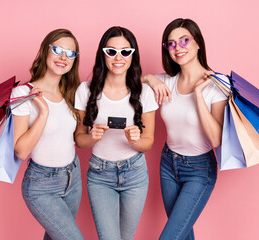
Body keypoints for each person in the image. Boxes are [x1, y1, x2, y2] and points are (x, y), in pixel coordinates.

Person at [142, 18, 228, 240]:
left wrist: (198, 95)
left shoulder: (217, 86)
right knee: (183, 235)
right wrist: (152, 79)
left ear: (198, 43)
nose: (177, 48)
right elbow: (133, 82)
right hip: (168, 164)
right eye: (171, 44)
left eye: (184, 40)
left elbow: (216, 138)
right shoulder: (167, 81)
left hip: (199, 170)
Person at [74, 26, 158, 240]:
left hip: (135, 173)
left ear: (133, 55)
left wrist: (136, 141)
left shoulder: (145, 92)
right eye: (111, 51)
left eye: (125, 52)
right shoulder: (85, 90)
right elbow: (79, 140)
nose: (118, 57)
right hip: (100, 175)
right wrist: (91, 137)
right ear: (103, 55)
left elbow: (148, 142)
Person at [11, 29, 84, 240]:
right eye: (58, 49)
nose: (63, 57)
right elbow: (21, 150)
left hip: (73, 177)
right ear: (45, 51)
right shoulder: (23, 93)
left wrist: (151, 81)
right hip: (41, 184)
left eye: (71, 53)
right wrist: (43, 113)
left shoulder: (72, 92)